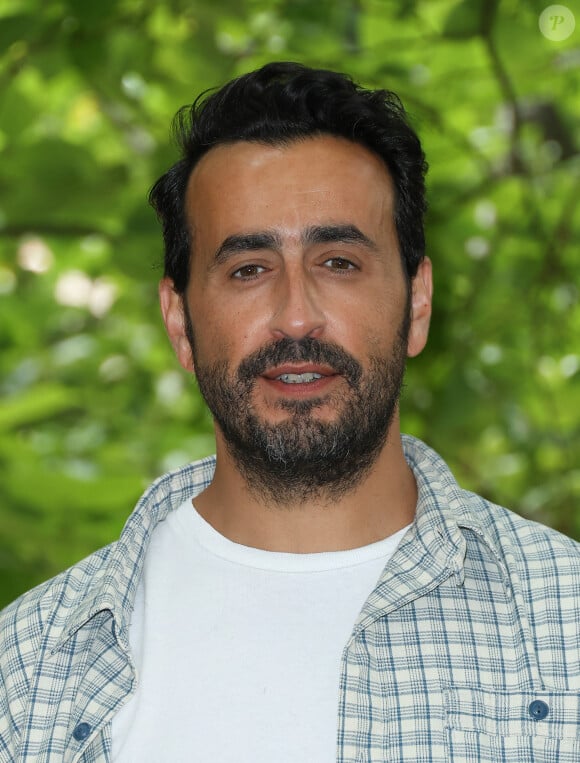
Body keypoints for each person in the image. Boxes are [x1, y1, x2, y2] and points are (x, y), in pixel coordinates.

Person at [1, 61, 579, 763]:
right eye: (248, 269)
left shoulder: (565, 623)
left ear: (418, 304)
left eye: (338, 261)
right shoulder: (28, 672)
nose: (296, 315)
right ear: (180, 321)